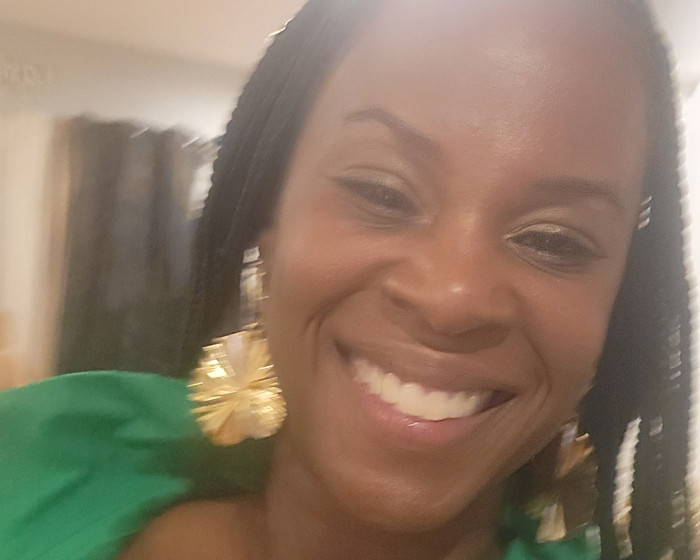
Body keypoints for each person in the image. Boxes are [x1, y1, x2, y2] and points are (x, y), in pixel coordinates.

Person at [0, 0, 694, 559]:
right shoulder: (36, 472)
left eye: (553, 240)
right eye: (381, 192)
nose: (451, 297)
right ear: (268, 225)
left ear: (615, 312)